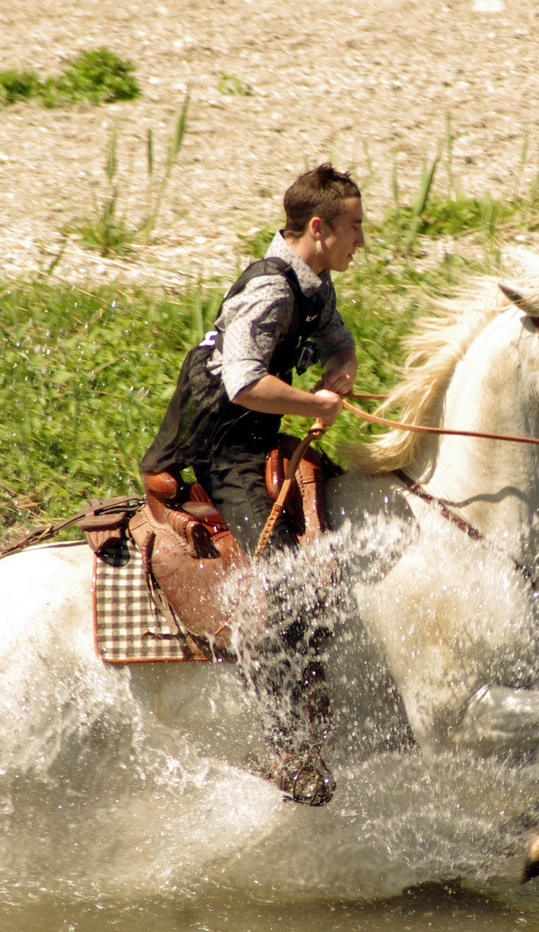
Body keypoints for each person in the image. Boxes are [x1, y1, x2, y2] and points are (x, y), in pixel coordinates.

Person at [139, 163, 365, 806]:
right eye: (354, 228)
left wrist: (339, 376)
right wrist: (315, 406)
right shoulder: (269, 291)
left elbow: (340, 347)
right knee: (287, 582)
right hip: (222, 448)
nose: (361, 241)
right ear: (317, 227)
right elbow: (241, 383)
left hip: (259, 438)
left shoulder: (314, 283)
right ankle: (282, 745)